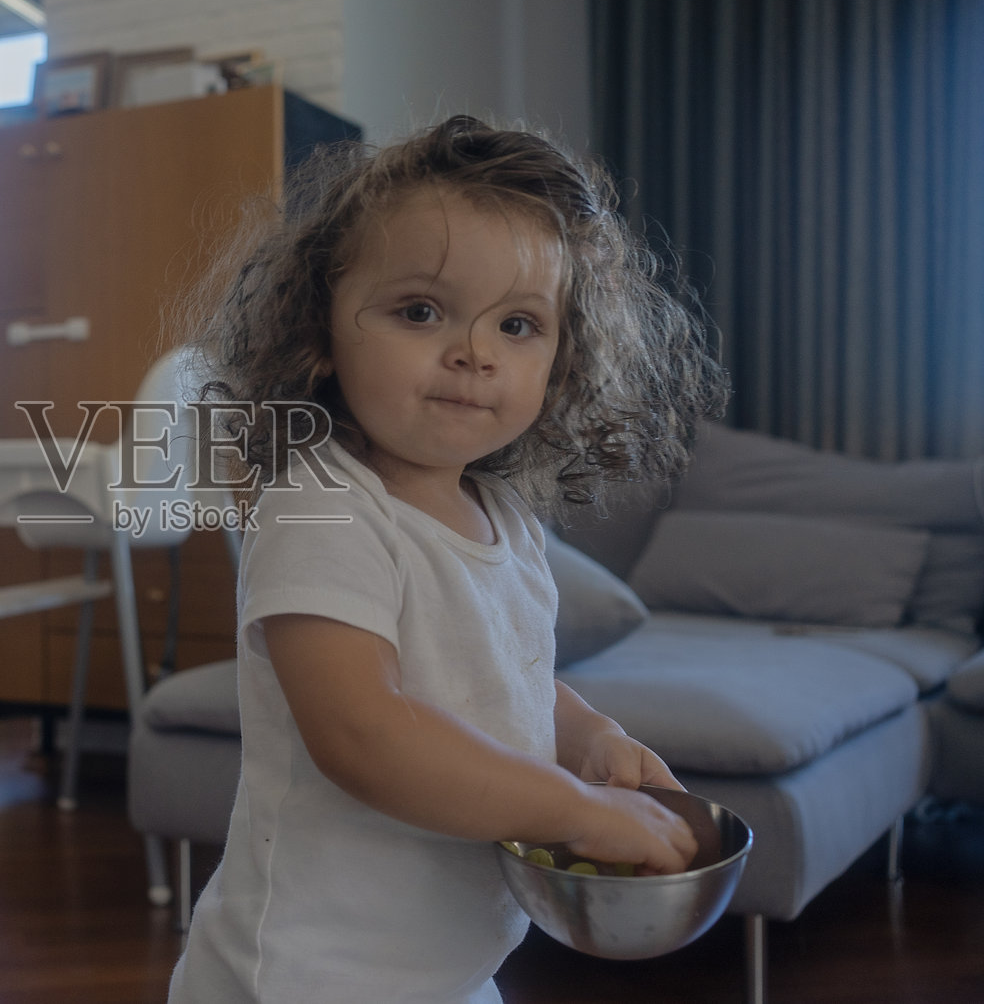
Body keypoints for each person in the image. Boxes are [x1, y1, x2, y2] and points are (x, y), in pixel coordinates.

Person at [168, 115, 730, 1003]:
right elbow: (364, 732)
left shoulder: (507, 520)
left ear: (563, 359)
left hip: (451, 969)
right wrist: (575, 810)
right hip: (312, 975)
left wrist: (590, 737)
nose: (474, 351)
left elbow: (505, 674)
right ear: (320, 331)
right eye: (421, 311)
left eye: (519, 324)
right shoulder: (323, 504)